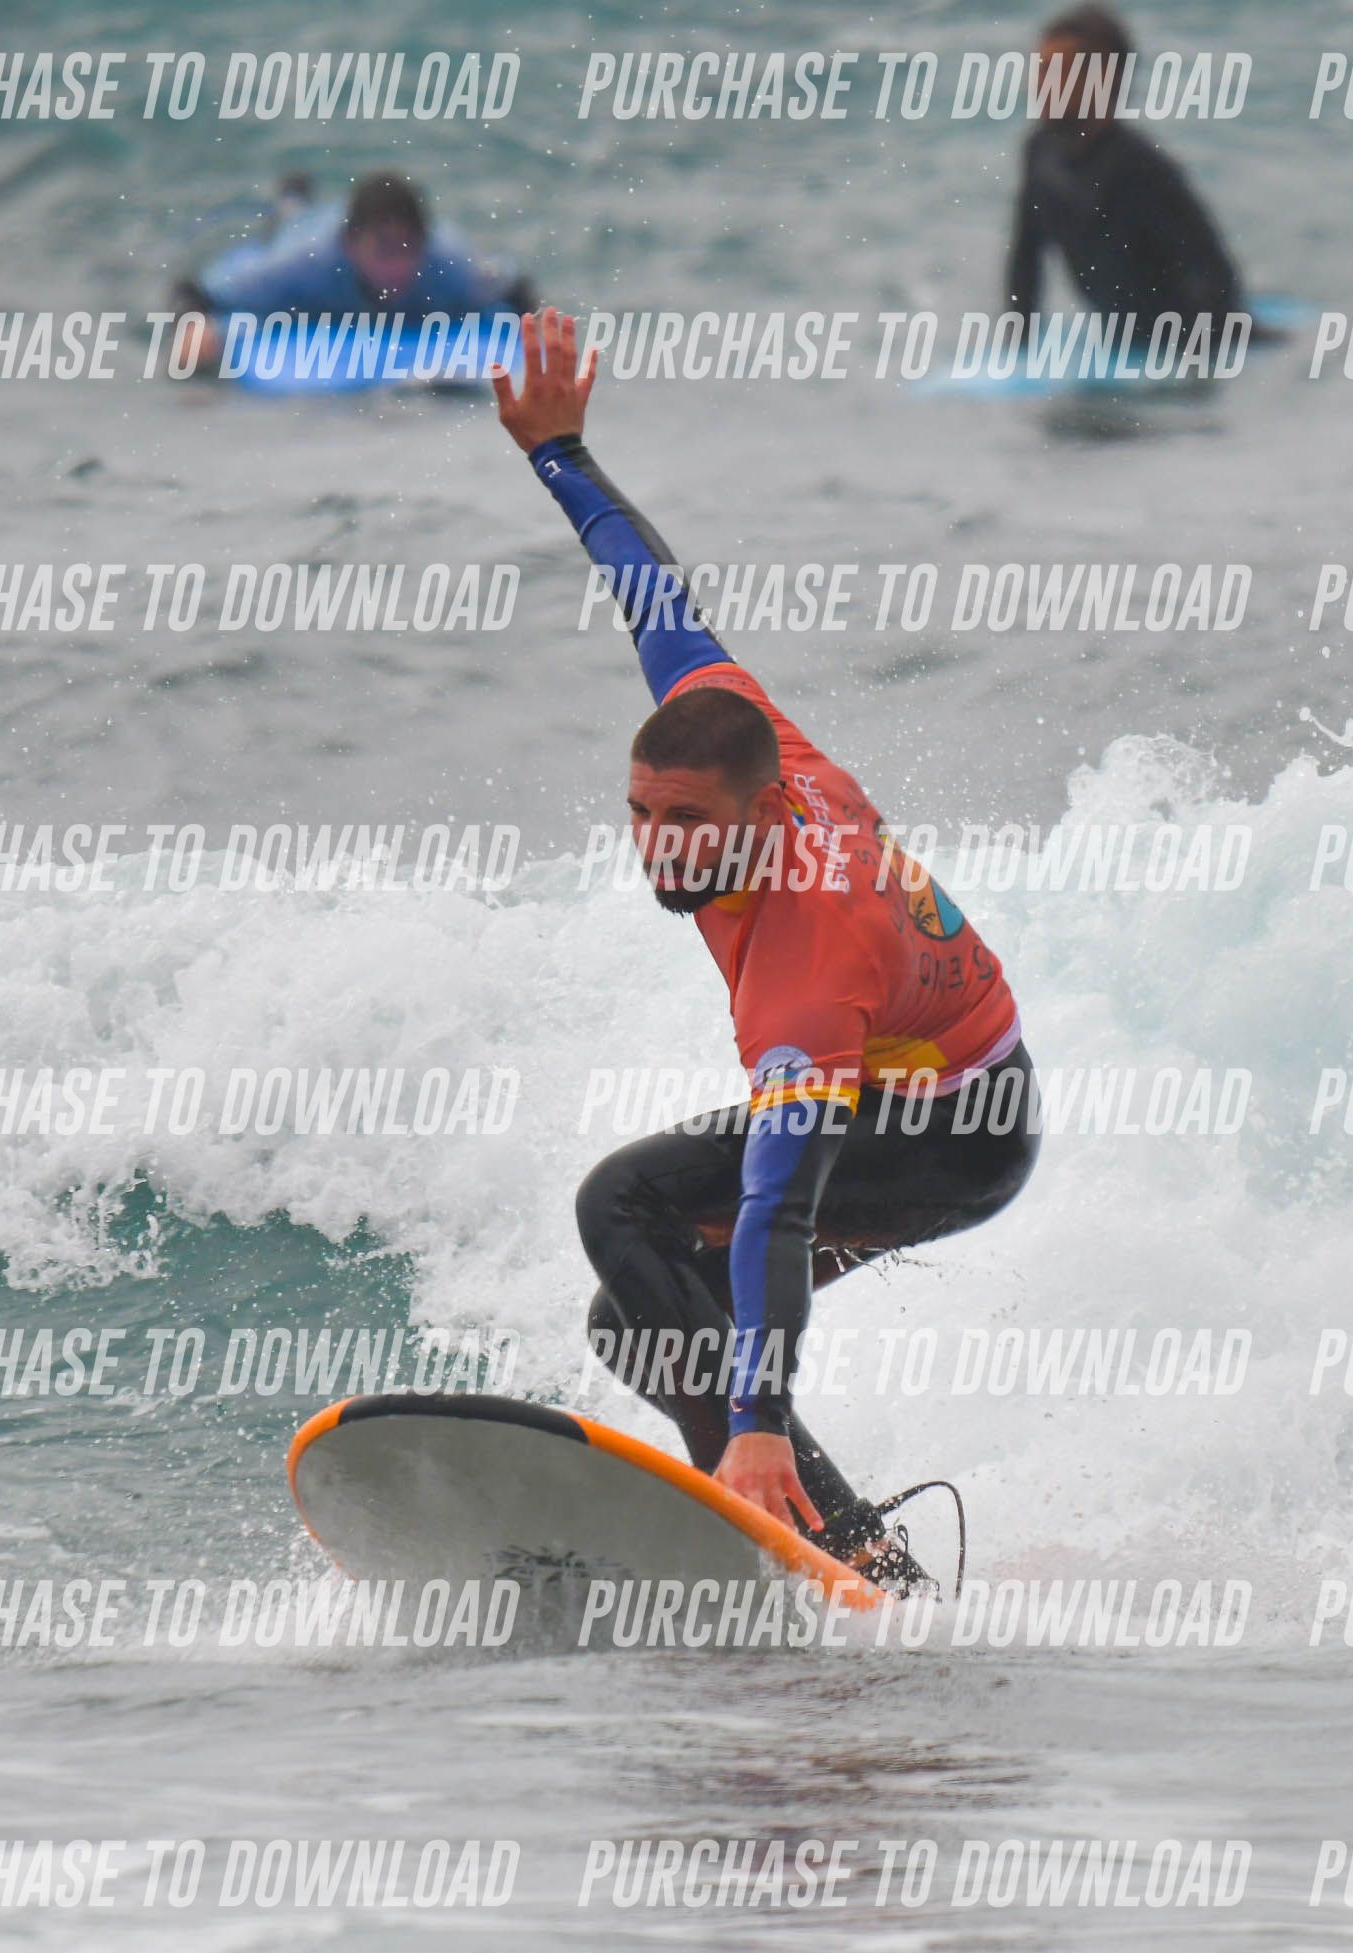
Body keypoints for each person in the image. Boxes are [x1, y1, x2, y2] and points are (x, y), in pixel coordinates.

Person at [490, 309, 1041, 1592]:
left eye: (685, 826)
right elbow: (652, 593)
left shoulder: (805, 961)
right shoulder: (745, 737)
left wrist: (750, 1420)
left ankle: (776, 1506)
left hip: (955, 1132)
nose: (658, 850)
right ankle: (866, 1559)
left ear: (756, 812)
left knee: (618, 1206)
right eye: (641, 817)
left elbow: (779, 1209)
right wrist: (558, 451)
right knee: (639, 1316)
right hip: (927, 1077)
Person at [1003, 5, 1242, 343]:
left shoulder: (1139, 170)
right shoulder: (1040, 152)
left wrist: (1193, 359)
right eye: (1040, 70)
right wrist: (1018, 345)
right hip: (1122, 344)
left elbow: (1215, 279)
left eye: (1056, 72)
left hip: (1175, 349)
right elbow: (1025, 260)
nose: (1039, 84)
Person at [168, 171, 535, 374]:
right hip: (307, 231)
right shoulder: (304, 263)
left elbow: (517, 290)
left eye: (409, 249)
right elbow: (196, 291)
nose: (398, 265)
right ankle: (291, 201)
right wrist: (195, 329)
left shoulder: (448, 262)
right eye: (384, 251)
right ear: (350, 245)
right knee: (290, 221)